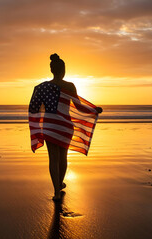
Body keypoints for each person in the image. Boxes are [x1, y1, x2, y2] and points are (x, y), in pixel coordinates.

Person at [29, 53, 102, 201]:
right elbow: (80, 108)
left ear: (51, 70)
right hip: (65, 126)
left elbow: (34, 108)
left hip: (49, 126)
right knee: (63, 158)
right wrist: (94, 110)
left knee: (53, 159)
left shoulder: (41, 87)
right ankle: (60, 184)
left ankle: (56, 191)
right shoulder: (69, 86)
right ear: (63, 70)